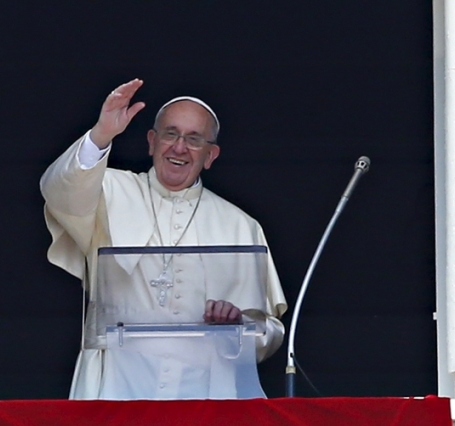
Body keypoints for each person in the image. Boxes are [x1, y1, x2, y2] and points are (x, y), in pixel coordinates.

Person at [40, 78, 287, 399]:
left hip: (207, 390)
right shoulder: (108, 192)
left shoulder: (241, 225)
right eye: (170, 134)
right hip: (117, 383)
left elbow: (267, 335)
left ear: (211, 155)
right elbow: (59, 191)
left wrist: (236, 324)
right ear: (151, 141)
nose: (180, 147)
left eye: (194, 139)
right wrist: (102, 134)